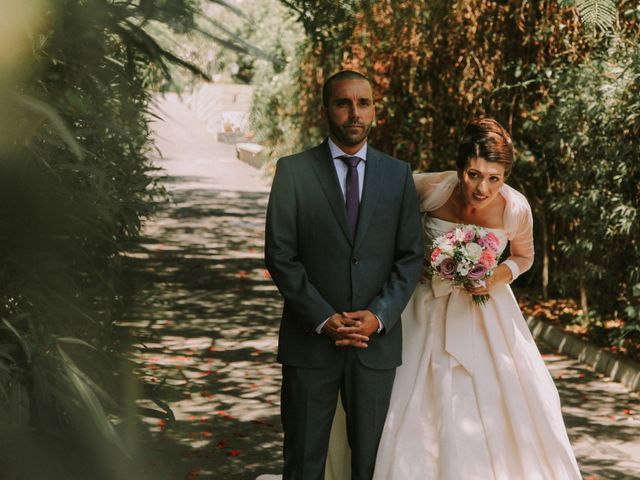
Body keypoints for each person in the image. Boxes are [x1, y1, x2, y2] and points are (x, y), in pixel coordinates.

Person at [323, 117, 581, 479]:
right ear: (460, 167)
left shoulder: (515, 209)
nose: (483, 188)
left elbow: (524, 258)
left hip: (485, 311)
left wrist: (494, 277)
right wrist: (413, 260)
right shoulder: (430, 188)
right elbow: (380, 221)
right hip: (422, 305)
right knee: (403, 396)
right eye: (474, 174)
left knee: (492, 400)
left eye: (495, 178)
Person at [263, 70, 424, 479]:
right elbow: (280, 255)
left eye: (364, 102)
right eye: (343, 102)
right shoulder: (293, 171)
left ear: (374, 110)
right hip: (309, 340)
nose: (355, 112)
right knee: (302, 458)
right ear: (325, 110)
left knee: (372, 462)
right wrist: (323, 318)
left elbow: (409, 257)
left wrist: (378, 316)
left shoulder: (398, 174)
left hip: (375, 345)